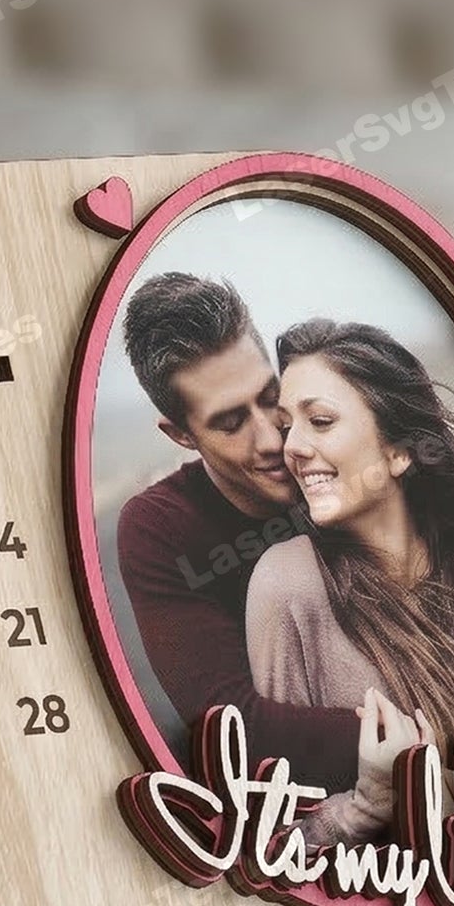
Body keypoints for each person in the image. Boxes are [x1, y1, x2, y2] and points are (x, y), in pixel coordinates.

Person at [246, 318, 454, 845]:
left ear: (399, 452)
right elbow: (270, 835)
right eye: (287, 426)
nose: (292, 447)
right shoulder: (287, 584)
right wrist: (368, 806)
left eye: (320, 420)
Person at [117, 273, 359, 794]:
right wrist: (419, 739)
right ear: (181, 435)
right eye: (230, 423)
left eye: (270, 398)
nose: (271, 439)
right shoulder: (159, 528)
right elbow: (232, 726)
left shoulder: (345, 443)